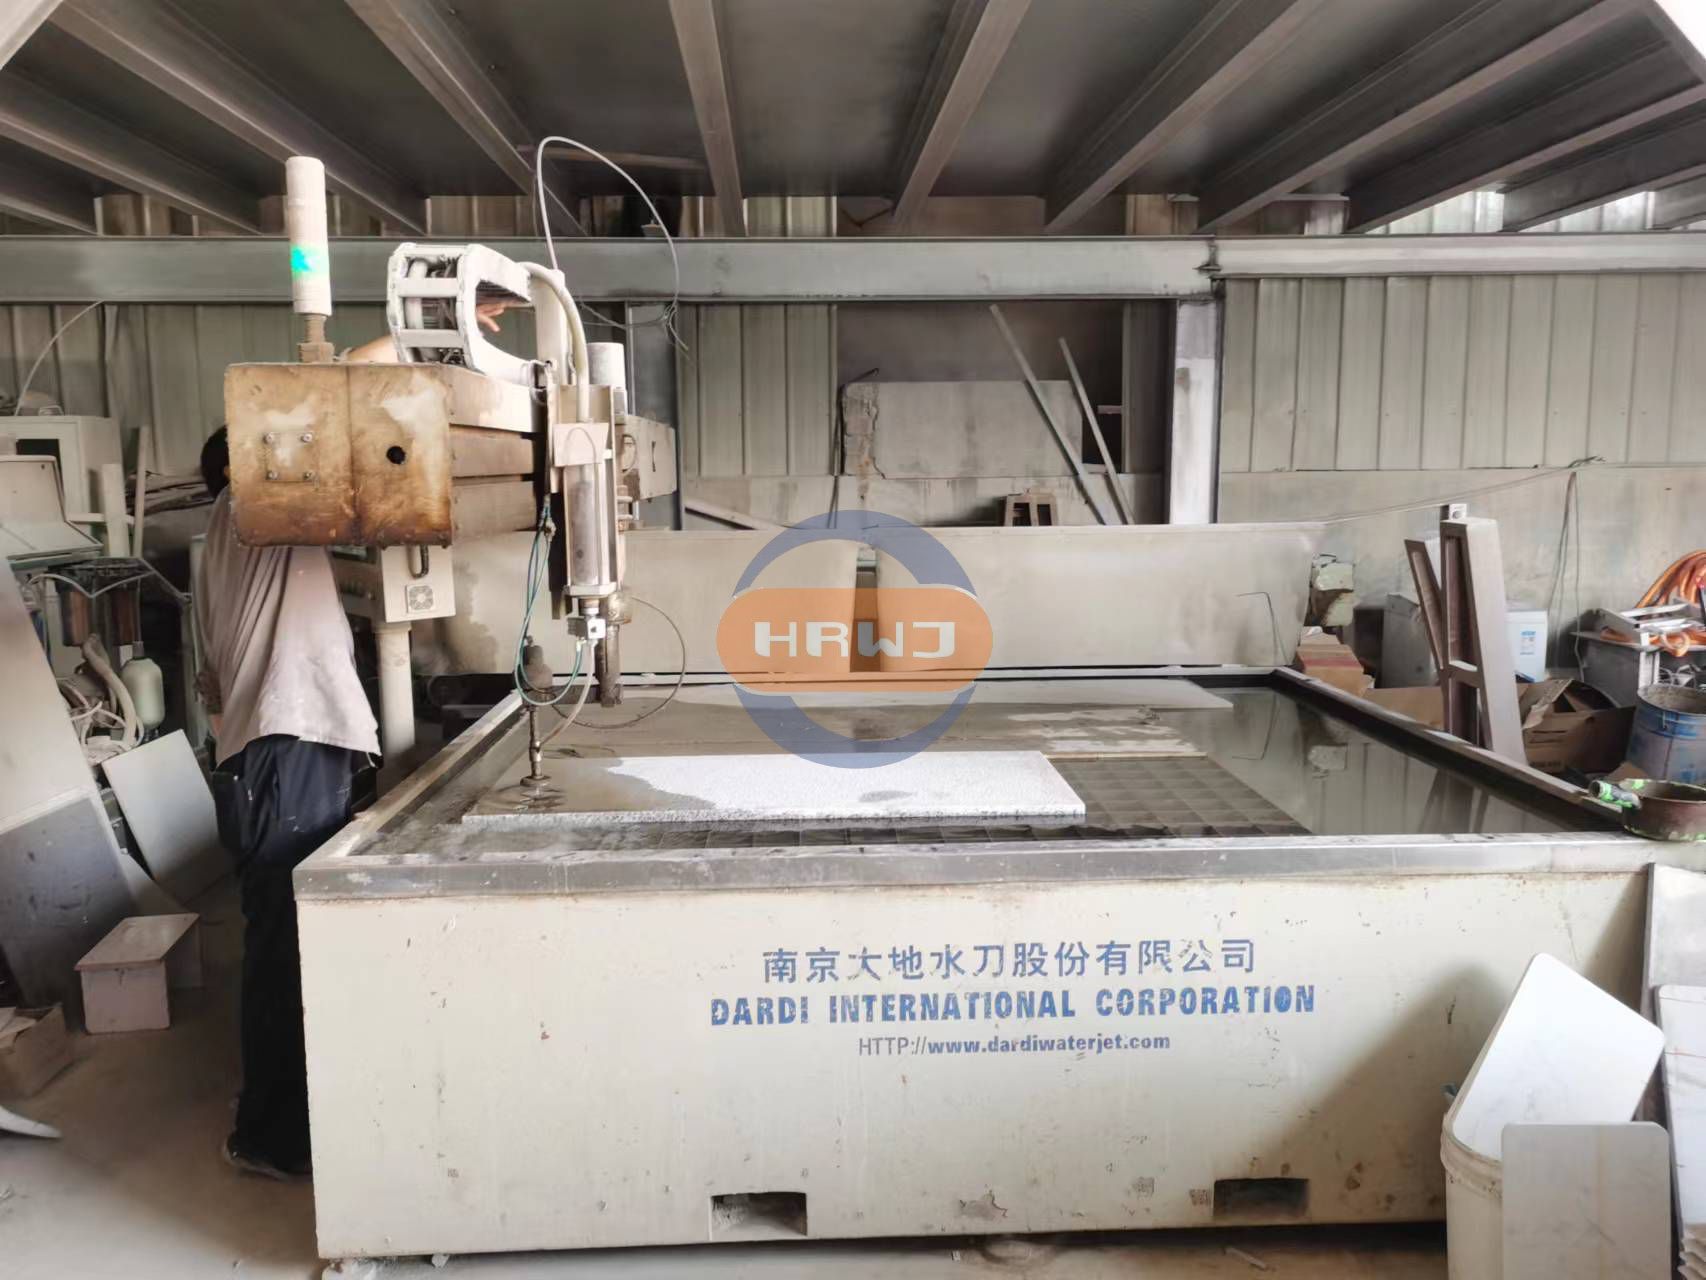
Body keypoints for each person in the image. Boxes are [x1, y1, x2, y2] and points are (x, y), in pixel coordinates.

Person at [197, 426, 378, 1180]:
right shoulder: (251, 507)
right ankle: (269, 1137)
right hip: (281, 748)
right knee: (284, 944)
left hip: (277, 746)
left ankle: (287, 1113)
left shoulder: (231, 534)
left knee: (289, 938)